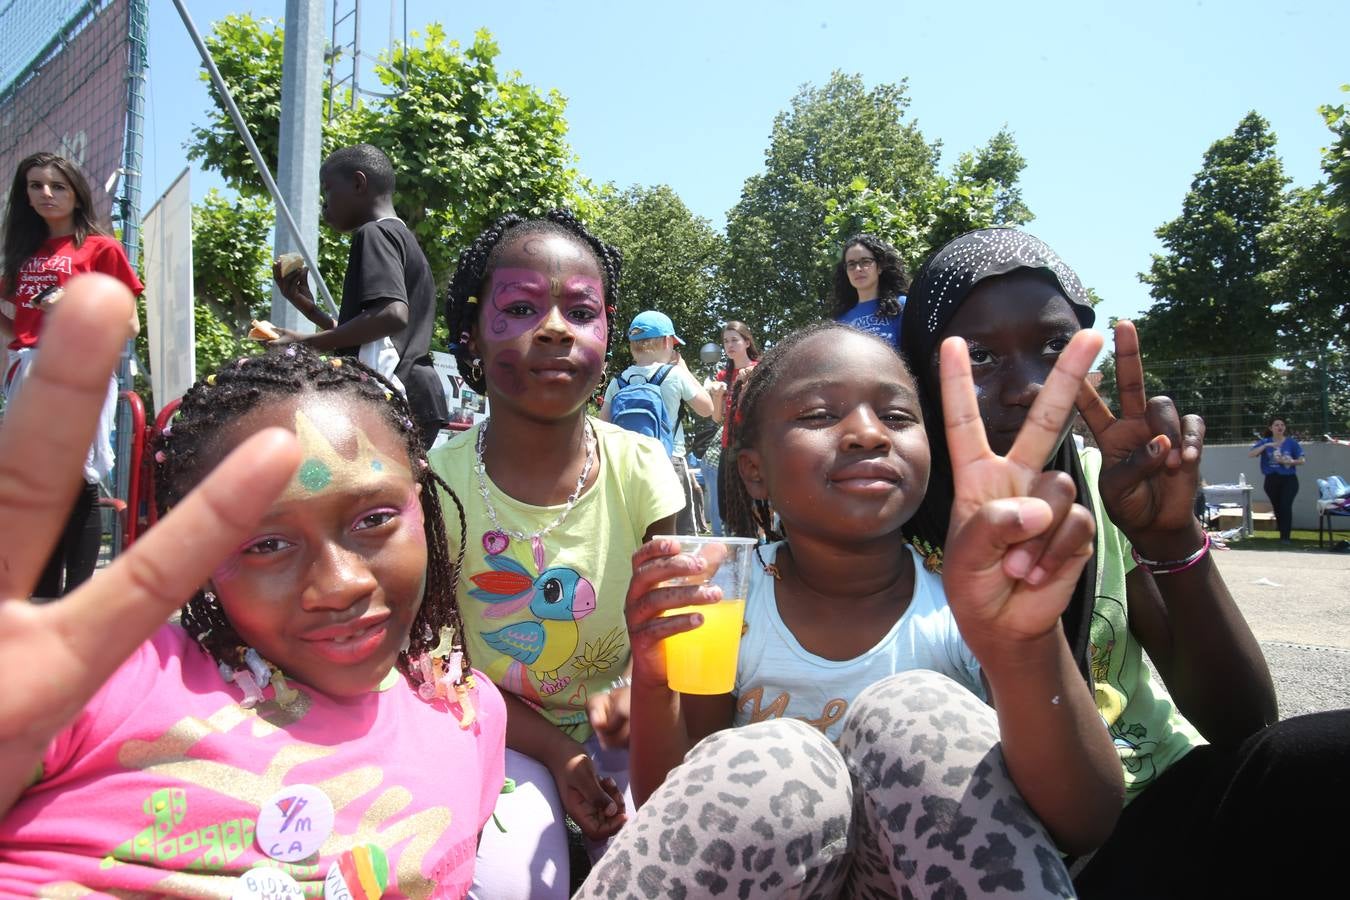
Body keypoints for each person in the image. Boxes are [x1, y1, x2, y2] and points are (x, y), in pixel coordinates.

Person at [0, 275, 506, 895]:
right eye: (266, 544)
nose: (340, 585)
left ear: (422, 506)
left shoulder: (468, 715)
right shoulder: (102, 683)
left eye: (374, 520)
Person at [900, 227, 1350, 898]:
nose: (1028, 386)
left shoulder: (1099, 482)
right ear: (923, 372)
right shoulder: (886, 516)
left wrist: (1169, 539)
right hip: (989, 853)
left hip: (1155, 808)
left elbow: (1245, 728)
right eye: (982, 356)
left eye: (1055, 347)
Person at [608, 321, 1122, 896]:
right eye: (820, 416)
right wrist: (656, 681)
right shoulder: (730, 598)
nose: (867, 434)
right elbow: (675, 820)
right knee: (780, 759)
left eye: (898, 417)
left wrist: (1024, 648)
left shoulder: (965, 606)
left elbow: (1085, 820)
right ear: (754, 471)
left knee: (916, 714)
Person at [436, 211, 684, 898]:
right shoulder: (436, 485)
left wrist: (640, 697)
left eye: (581, 310)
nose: (553, 328)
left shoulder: (643, 469)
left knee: (661, 864)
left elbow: (685, 623)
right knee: (505, 882)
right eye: (519, 308)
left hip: (632, 729)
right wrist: (559, 753)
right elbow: (437, 671)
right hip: (503, 734)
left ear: (608, 335)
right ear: (472, 339)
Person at [0, 152, 143, 598]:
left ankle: (77, 596)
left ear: (77, 192)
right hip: (30, 367)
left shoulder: (102, 248)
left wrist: (74, 304)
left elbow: (130, 325)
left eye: (57, 186)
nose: (46, 194)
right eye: (35, 185)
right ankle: (39, 594)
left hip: (81, 364)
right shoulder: (22, 254)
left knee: (77, 476)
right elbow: (16, 323)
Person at [273, 143, 447, 450]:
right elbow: (377, 339)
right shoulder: (402, 238)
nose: (324, 204)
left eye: (328, 190)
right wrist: (313, 313)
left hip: (394, 395)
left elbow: (392, 315)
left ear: (358, 183)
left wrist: (305, 343)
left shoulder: (374, 234)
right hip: (415, 394)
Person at [600, 310, 714, 535]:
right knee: (680, 537)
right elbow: (707, 408)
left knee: (635, 533)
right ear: (665, 341)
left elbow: (604, 425)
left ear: (633, 345)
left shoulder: (618, 381)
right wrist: (685, 370)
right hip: (670, 462)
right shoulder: (674, 375)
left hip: (628, 466)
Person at [706, 320, 760, 535]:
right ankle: (738, 551)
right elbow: (717, 417)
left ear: (747, 342)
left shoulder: (758, 369)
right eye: (726, 341)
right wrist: (718, 395)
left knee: (753, 505)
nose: (729, 345)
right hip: (729, 447)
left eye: (734, 340)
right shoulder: (722, 377)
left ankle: (758, 551)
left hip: (752, 446)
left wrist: (747, 383)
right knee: (728, 508)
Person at [829, 232, 908, 346]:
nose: (858, 269)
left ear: (880, 267)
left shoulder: (901, 305)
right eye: (851, 264)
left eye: (865, 261)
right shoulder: (840, 321)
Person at [1248, 416, 1304, 542]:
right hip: (1271, 480)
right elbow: (1251, 454)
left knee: (1285, 506)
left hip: (1289, 479)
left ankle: (1286, 537)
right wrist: (1267, 445)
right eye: (1276, 425)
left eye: (1282, 425)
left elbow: (1302, 460)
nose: (1280, 427)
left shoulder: (1291, 443)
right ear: (1271, 428)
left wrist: (1291, 461)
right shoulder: (1265, 442)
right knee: (1277, 507)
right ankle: (1282, 532)